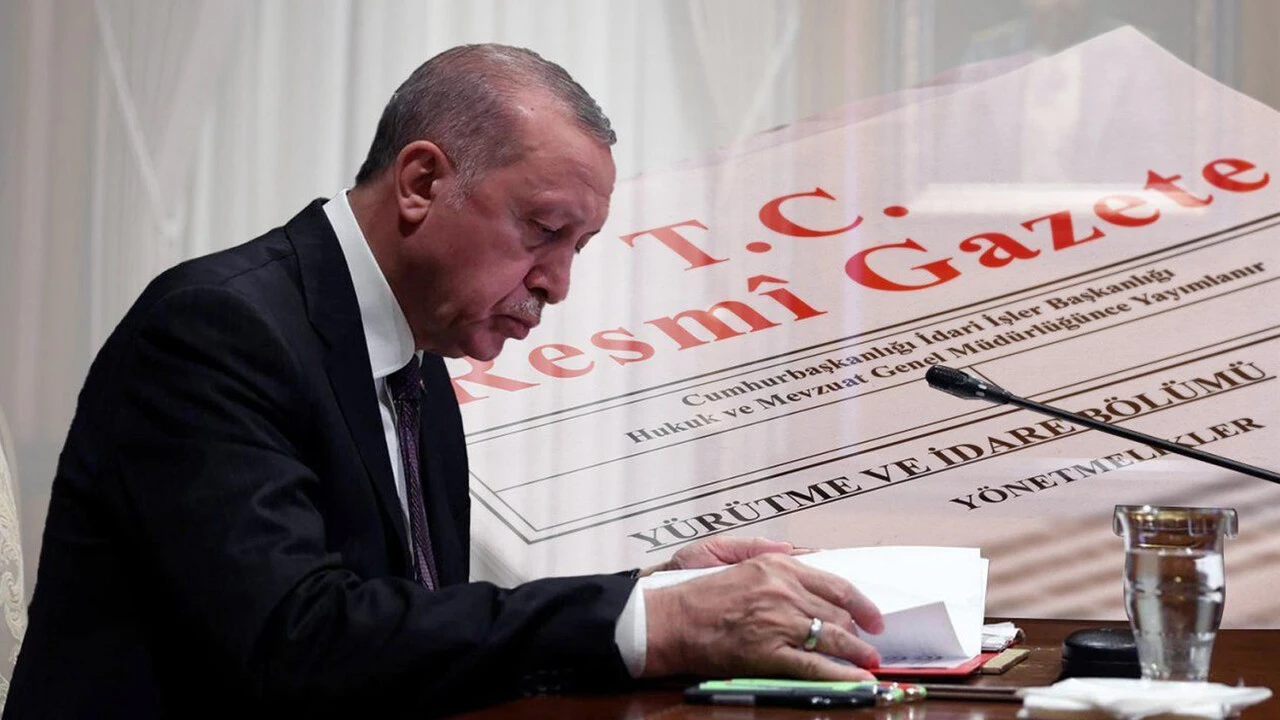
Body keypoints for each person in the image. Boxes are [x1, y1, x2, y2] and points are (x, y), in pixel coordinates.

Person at [5, 44, 883, 719]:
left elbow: (412, 633)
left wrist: (662, 592)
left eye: (577, 248)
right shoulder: (215, 330)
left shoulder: (416, 364)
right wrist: (655, 622)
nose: (558, 284)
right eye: (544, 230)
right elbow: (294, 642)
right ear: (422, 181)